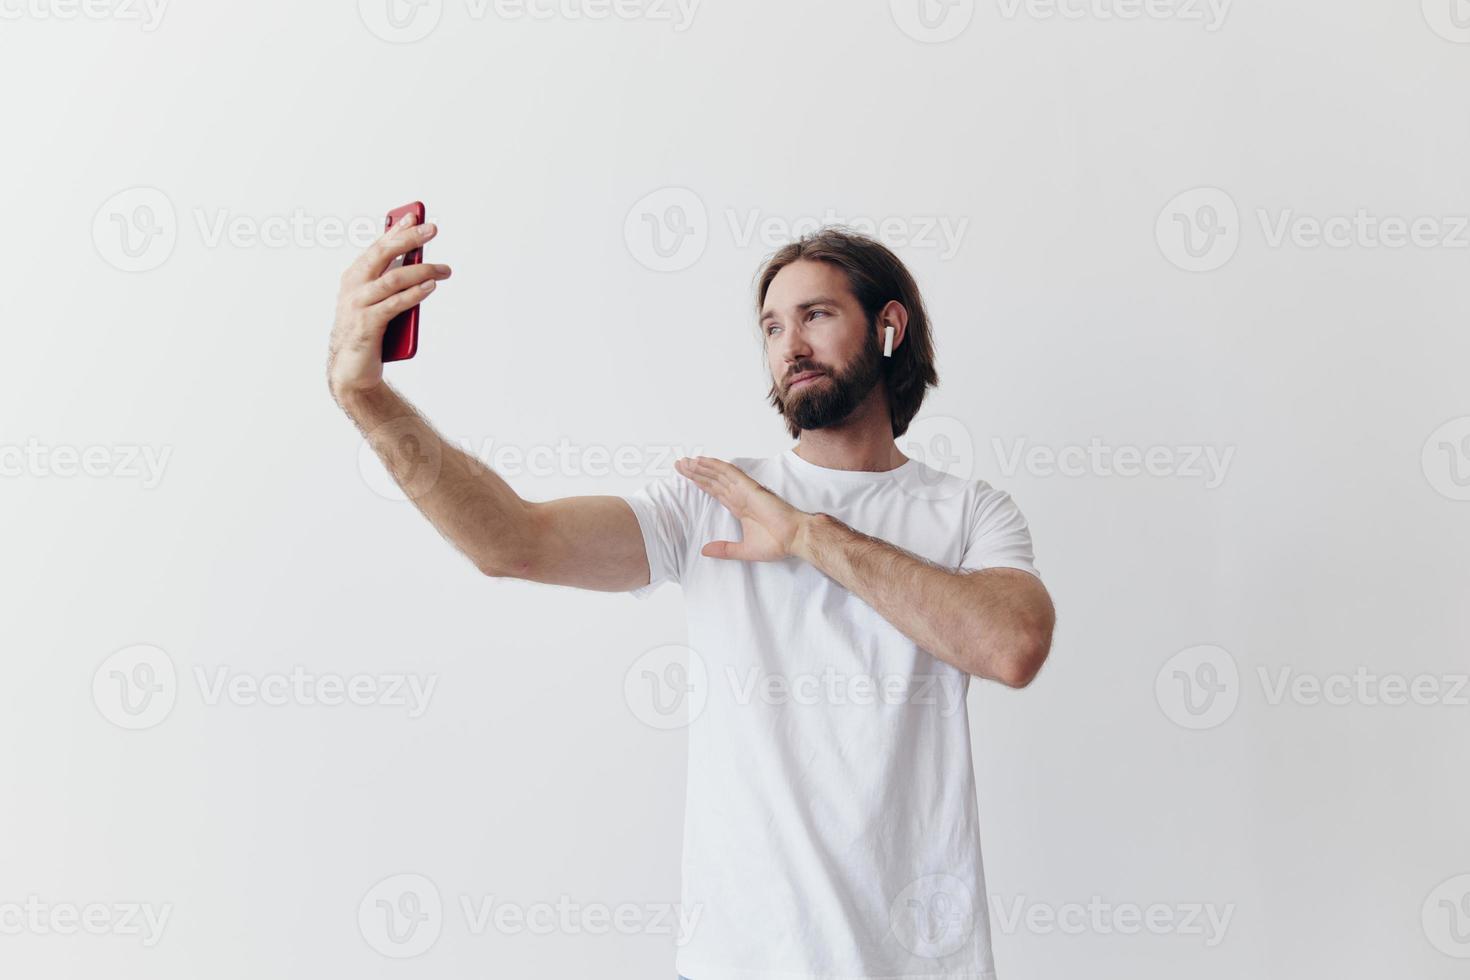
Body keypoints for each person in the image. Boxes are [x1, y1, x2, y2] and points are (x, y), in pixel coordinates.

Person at [328, 212, 1056, 979]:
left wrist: (808, 535)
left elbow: (1010, 647)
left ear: (889, 326)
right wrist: (366, 397)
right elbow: (513, 542)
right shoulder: (712, 500)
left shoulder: (971, 512)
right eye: (773, 327)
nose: (791, 345)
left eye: (816, 315)